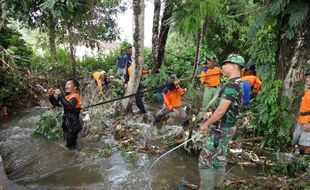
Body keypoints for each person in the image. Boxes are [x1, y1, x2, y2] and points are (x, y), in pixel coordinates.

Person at [199, 54, 244, 190]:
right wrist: (211, 114)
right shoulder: (238, 83)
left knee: (205, 160)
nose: (222, 66)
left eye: (226, 64)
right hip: (226, 127)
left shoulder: (232, 85)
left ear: (234, 66)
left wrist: (206, 124)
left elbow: (221, 111)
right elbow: (225, 107)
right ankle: (218, 186)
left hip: (220, 129)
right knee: (219, 157)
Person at [47, 79, 81, 149]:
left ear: (75, 87)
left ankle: (75, 157)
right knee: (70, 146)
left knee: (70, 147)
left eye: (68, 84)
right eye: (66, 84)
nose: (66, 86)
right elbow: (57, 104)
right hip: (67, 124)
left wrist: (60, 95)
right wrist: (51, 96)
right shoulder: (67, 97)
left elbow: (70, 106)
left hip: (73, 125)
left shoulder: (75, 96)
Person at [292, 72, 310, 154]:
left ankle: (304, 163)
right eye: (307, 78)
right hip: (301, 119)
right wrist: (297, 83)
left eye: (309, 78)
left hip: (308, 120)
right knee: (297, 141)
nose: (307, 79)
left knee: (307, 145)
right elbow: (299, 93)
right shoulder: (308, 91)